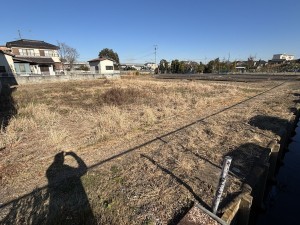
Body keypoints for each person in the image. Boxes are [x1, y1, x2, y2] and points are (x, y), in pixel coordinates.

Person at [46, 151, 95, 225]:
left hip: (64, 200)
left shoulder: (50, 171)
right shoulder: (50, 171)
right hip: (68, 201)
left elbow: (83, 169)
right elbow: (83, 169)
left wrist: (74, 155)